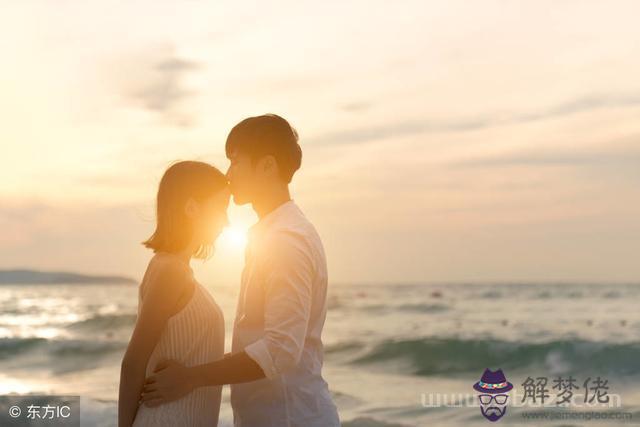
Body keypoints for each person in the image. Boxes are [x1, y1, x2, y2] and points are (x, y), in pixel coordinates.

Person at [140, 114, 341, 426]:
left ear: (267, 166)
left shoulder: (286, 239)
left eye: (235, 161)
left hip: (290, 418)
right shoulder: (271, 232)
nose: (228, 173)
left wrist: (190, 378)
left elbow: (280, 348)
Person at [118, 161, 230, 427]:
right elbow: (133, 363)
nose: (226, 220)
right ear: (192, 207)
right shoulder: (171, 272)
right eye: (221, 208)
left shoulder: (173, 268)